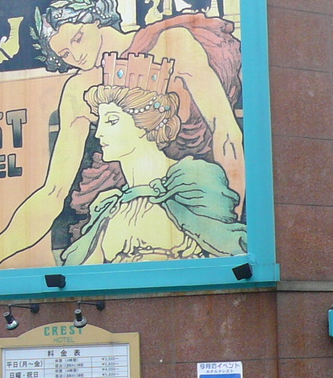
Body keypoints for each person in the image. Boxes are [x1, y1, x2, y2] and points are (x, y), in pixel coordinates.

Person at [0, 0, 244, 272]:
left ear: (97, 19)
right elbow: (53, 191)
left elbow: (227, 133)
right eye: (65, 54)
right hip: (131, 199)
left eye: (78, 38)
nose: (77, 55)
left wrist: (230, 223)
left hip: (203, 190)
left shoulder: (170, 44)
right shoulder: (78, 90)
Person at [59, 55, 246, 264]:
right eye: (99, 122)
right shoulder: (108, 205)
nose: (99, 133)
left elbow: (228, 249)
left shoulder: (192, 180)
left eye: (111, 121)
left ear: (144, 123)